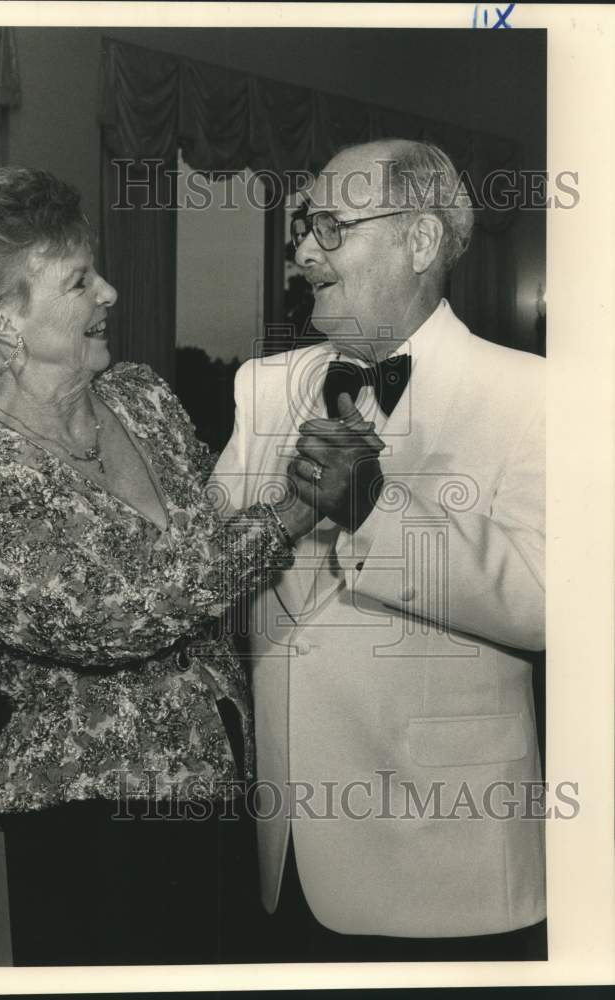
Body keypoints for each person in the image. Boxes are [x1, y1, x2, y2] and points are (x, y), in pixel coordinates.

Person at [0, 166, 317, 966]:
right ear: (6, 323)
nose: (112, 292)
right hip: (88, 816)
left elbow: (215, 540)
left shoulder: (143, 398)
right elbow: (113, 618)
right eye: (79, 280)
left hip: (228, 780)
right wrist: (300, 508)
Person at [212, 139, 546, 962]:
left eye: (329, 226)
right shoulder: (262, 385)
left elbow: (551, 601)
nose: (300, 252)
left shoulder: (538, 393)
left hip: (448, 857)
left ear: (420, 242)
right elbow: (212, 561)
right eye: (302, 228)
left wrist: (374, 512)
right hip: (283, 850)